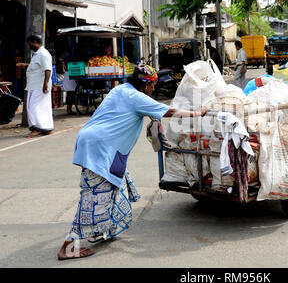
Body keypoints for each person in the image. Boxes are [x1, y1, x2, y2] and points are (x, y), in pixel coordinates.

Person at [57, 64, 207, 260]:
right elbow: (170, 111)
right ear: (145, 85)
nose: (154, 89)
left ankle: (99, 231)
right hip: (103, 148)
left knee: (115, 188)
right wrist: (197, 113)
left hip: (94, 143)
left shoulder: (120, 90)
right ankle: (67, 248)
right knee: (93, 197)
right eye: (153, 85)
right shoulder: (137, 97)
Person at [16, 35, 54, 138]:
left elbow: (47, 69)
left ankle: (37, 128)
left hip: (40, 85)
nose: (29, 46)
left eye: (30, 44)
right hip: (34, 85)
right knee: (41, 107)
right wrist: (24, 65)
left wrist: (45, 84)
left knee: (33, 107)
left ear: (35, 42)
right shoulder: (37, 54)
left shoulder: (43, 54)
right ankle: (46, 128)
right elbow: (36, 66)